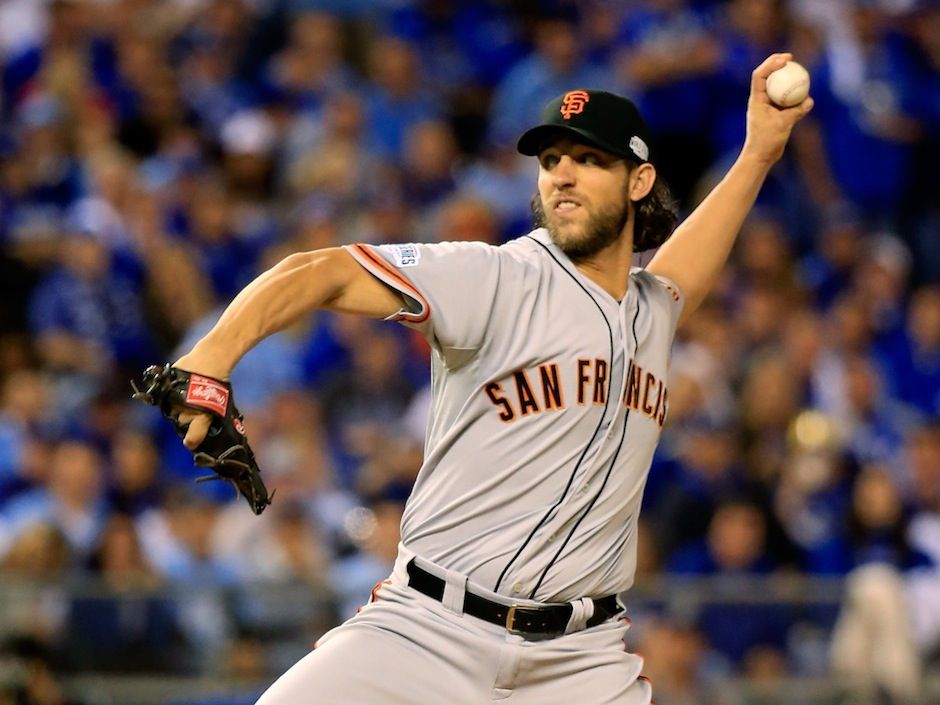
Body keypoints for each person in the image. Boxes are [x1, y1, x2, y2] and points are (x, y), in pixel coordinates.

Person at [170, 53, 812, 705]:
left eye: (589, 160)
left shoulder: (652, 312)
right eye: (551, 159)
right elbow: (323, 270)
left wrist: (758, 153)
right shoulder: (495, 277)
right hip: (426, 631)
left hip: (578, 660)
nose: (563, 174)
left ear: (639, 180)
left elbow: (684, 271)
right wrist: (215, 352)